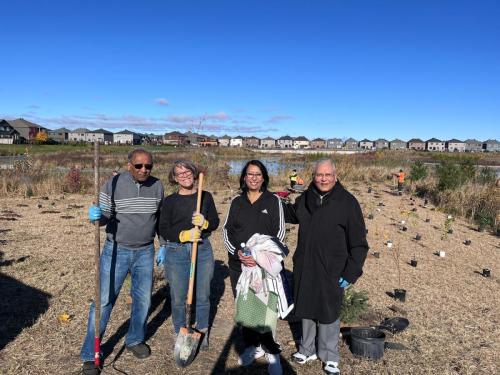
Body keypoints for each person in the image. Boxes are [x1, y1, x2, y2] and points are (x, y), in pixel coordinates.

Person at [81, 149, 165, 375]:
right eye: (139, 166)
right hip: (116, 249)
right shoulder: (113, 183)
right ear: (130, 165)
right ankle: (91, 354)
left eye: (148, 166)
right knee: (103, 300)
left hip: (145, 251)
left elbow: (159, 219)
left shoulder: (157, 186)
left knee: (143, 300)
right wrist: (97, 217)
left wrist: (163, 244)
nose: (144, 170)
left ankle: (135, 339)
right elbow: (105, 217)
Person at [283, 158, 368, 375]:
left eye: (327, 175)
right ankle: (307, 348)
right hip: (306, 263)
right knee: (306, 306)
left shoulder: (347, 202)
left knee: (329, 312)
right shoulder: (306, 198)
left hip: (333, 268)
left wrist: (351, 272)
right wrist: (273, 202)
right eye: (319, 175)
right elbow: (292, 214)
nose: (323, 179)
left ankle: (330, 355)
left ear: (335, 176)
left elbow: (359, 243)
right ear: (313, 177)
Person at [222, 160, 287, 375]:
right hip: (239, 266)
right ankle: (253, 346)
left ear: (264, 177)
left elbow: (279, 234)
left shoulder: (274, 201)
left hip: (265, 266)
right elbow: (226, 232)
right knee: (246, 309)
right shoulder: (236, 202)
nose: (254, 178)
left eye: (258, 174)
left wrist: (259, 257)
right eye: (250, 174)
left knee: (268, 310)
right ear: (244, 177)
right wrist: (238, 254)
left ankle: (272, 351)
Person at [156, 160, 219, 350]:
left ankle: (202, 331)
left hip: (202, 250)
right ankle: (181, 331)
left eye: (187, 172)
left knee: (202, 295)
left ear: (194, 173)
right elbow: (164, 228)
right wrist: (184, 235)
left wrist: (205, 222)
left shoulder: (205, 197)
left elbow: (215, 222)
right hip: (176, 252)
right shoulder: (169, 201)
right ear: (174, 178)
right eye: (179, 174)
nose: (184, 176)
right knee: (178, 296)